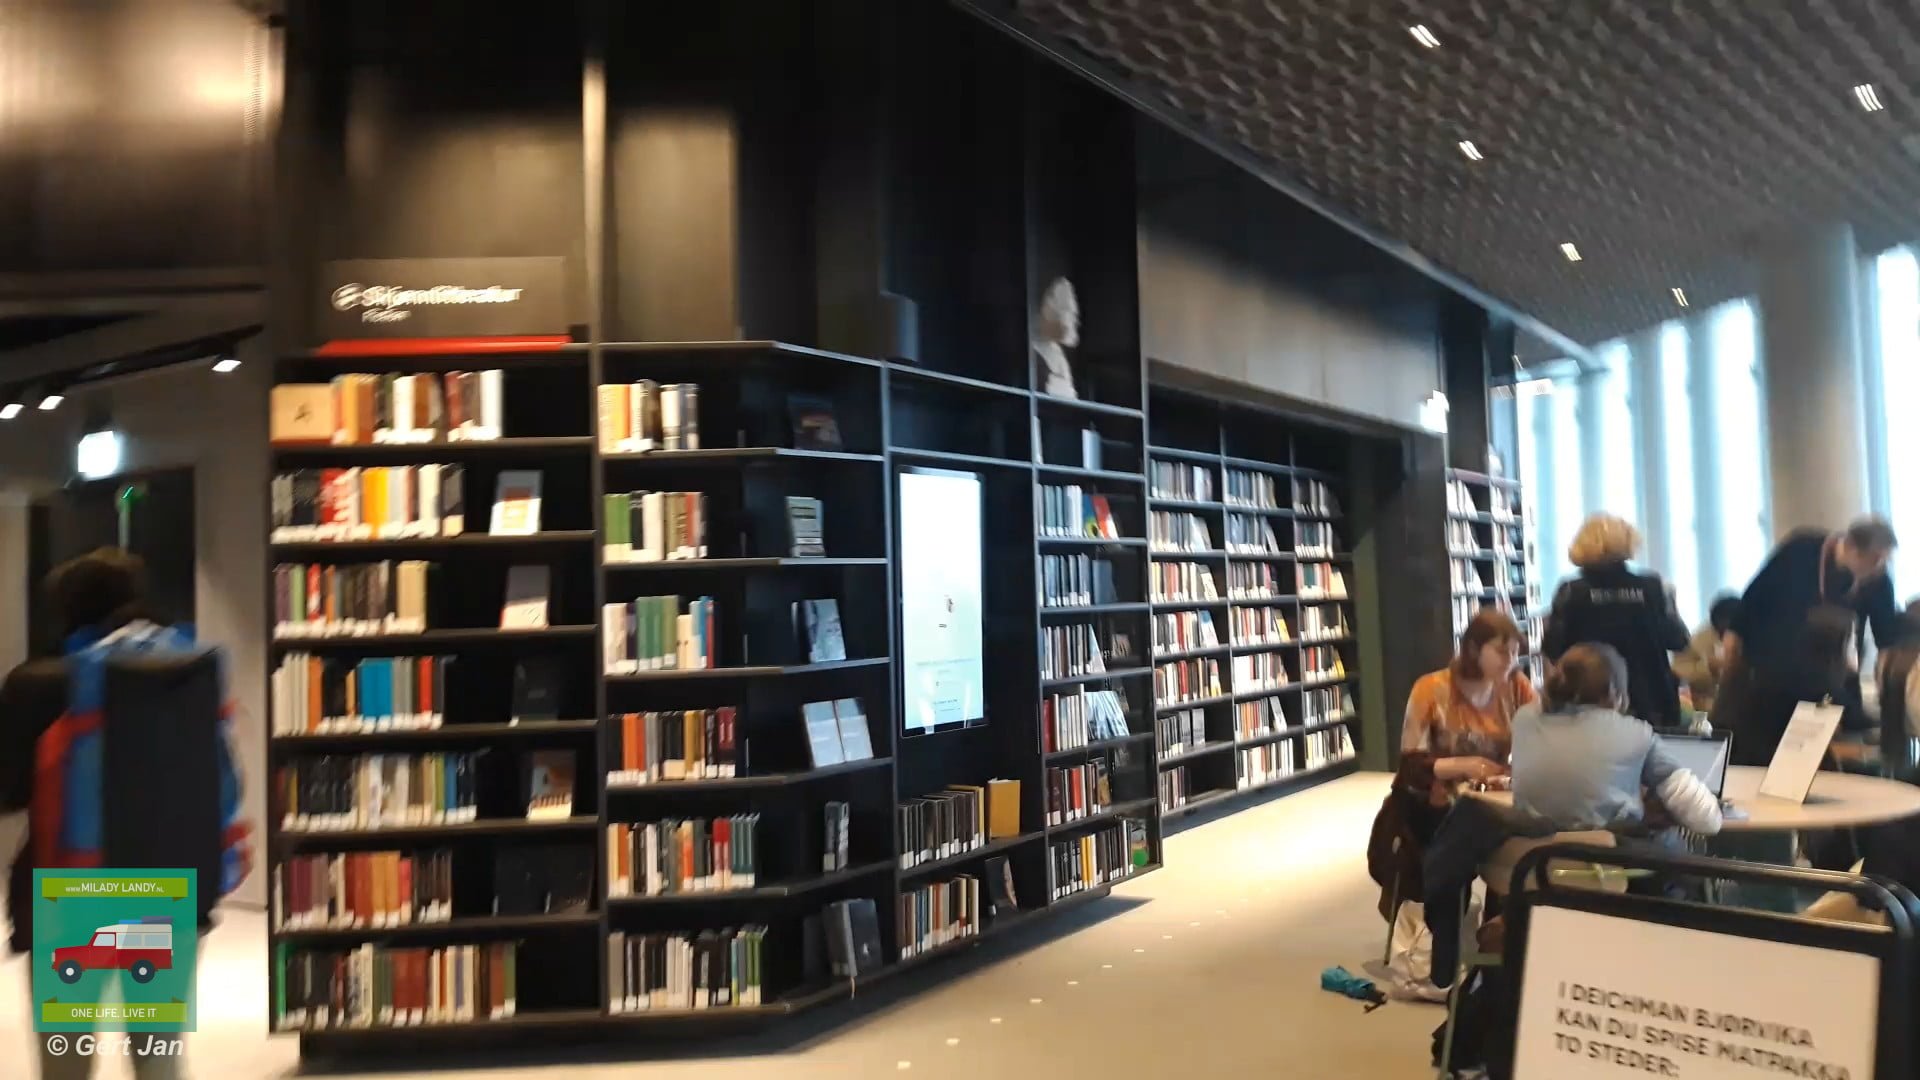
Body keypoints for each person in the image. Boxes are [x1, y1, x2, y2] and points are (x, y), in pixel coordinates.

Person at [0, 548, 249, 1080]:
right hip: (165, 893)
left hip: (73, 894)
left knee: (66, 1062)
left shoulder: (39, 683)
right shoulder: (187, 675)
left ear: (66, 612)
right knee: (158, 1056)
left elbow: (8, 791)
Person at [1510, 643, 1722, 836]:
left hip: (1532, 859)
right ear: (1616, 693)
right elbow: (1706, 820)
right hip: (1608, 861)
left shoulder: (1523, 719)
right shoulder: (1635, 734)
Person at [1721, 517, 1900, 734]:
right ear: (1852, 547)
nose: (1879, 568)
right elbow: (1755, 595)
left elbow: (1886, 640)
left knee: (1847, 729)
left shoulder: (1878, 580)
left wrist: (1885, 684)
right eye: (1875, 559)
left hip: (1835, 677)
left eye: (1884, 561)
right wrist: (1734, 637)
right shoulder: (1800, 551)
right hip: (1776, 669)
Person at [1540, 514, 1691, 729]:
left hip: (1590, 703)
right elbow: (1678, 640)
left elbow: (1553, 649)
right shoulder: (1651, 587)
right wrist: (1671, 604)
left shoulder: (1572, 592)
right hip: (1652, 700)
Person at [1402, 608, 1535, 788]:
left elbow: (1542, 733)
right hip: (1435, 797)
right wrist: (1468, 766)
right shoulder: (1429, 688)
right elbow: (1410, 767)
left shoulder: (1517, 685)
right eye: (1502, 651)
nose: (1511, 660)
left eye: (1515, 652)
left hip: (1491, 794)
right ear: (1473, 649)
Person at [1672, 593, 1740, 716]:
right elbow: (1679, 668)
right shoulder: (1700, 638)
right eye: (1720, 630)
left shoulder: (1756, 637)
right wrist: (1708, 667)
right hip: (1708, 709)